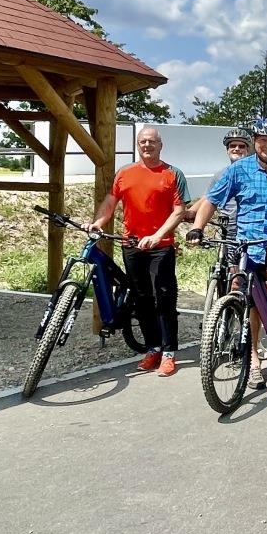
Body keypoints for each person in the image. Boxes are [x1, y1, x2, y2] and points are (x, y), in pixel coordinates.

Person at [186, 117, 267, 390]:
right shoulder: (239, 170)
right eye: (262, 140)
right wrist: (197, 228)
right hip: (248, 244)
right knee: (251, 303)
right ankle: (254, 362)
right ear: (255, 142)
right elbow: (211, 200)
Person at [90, 127, 189, 377]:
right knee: (142, 298)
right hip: (131, 245)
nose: (147, 145)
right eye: (143, 142)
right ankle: (153, 347)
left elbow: (178, 211)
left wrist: (157, 236)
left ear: (160, 145)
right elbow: (110, 202)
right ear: (138, 144)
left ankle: (168, 352)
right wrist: (98, 223)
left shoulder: (173, 174)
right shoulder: (125, 173)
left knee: (164, 298)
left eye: (152, 142)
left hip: (161, 246)